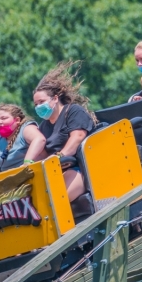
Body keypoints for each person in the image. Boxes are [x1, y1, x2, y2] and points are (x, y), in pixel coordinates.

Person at [32, 63, 96, 202]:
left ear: (55, 99)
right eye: (35, 104)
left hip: (80, 169)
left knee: (55, 201)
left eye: (41, 102)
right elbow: (42, 154)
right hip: (57, 172)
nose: (38, 107)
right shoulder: (43, 126)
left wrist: (59, 156)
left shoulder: (73, 111)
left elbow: (78, 137)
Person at [0, 104, 46, 178]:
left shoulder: (26, 129)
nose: (0, 122)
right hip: (9, 182)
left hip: (33, 175)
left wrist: (27, 163)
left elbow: (39, 139)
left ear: (17, 120)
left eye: (4, 118)